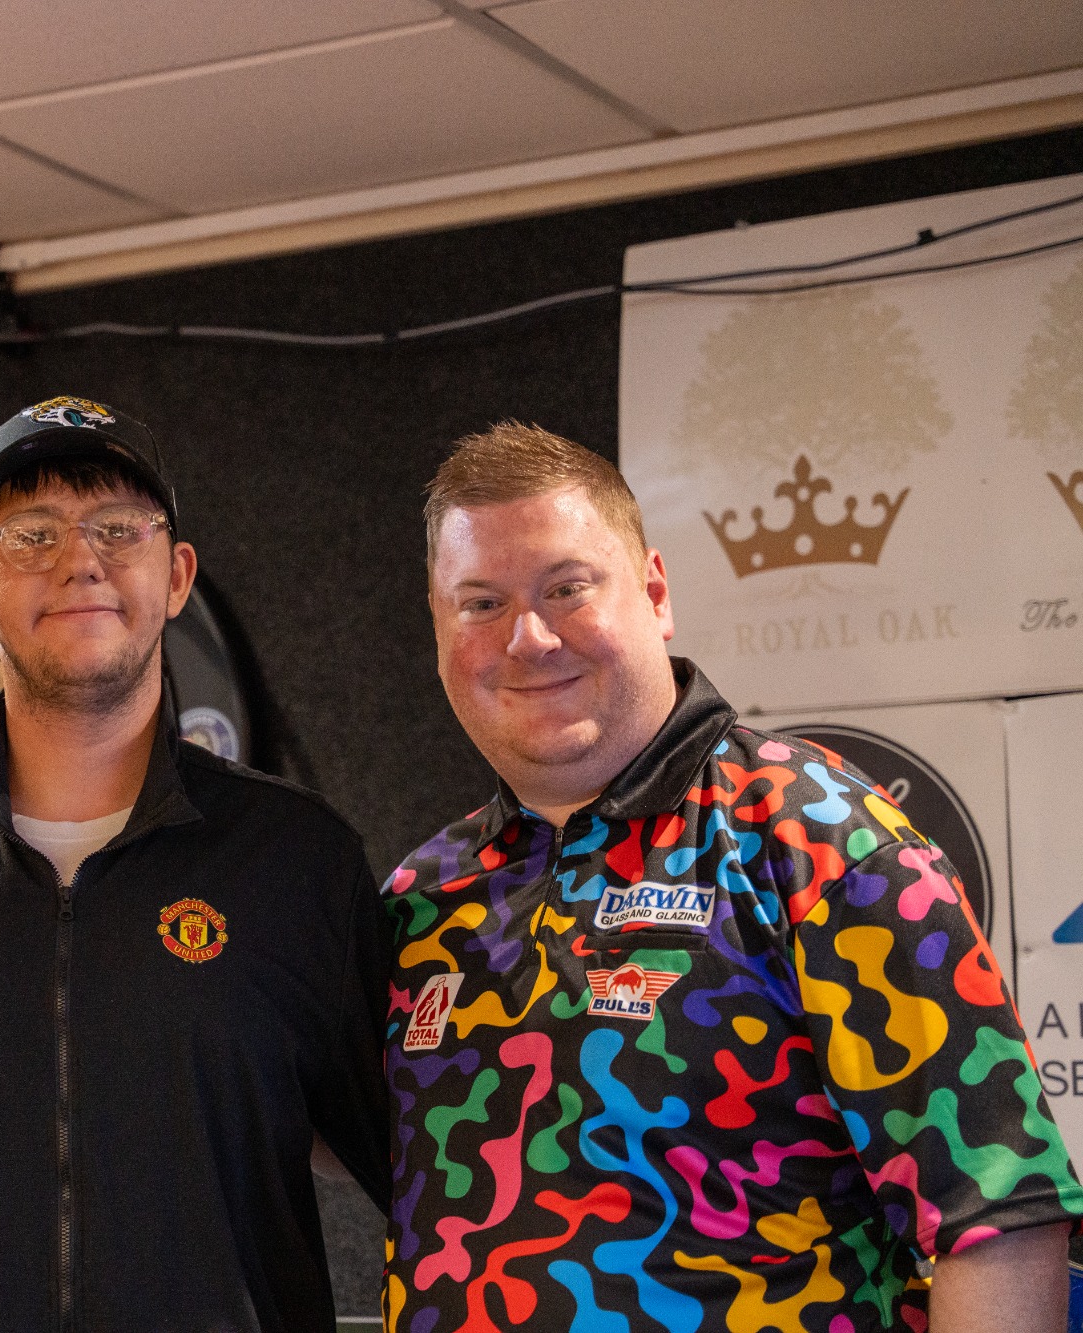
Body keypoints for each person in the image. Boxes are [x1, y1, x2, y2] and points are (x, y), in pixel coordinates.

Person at [383, 421, 1083, 1332]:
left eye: (567, 588)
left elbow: (998, 1215)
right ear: (438, 627)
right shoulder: (420, 898)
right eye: (480, 603)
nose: (530, 637)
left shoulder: (813, 835)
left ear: (655, 592)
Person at [0, 396, 391, 1333]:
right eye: (32, 533)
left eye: (120, 528)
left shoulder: (299, 861)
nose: (80, 559)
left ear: (177, 575)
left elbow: (442, 1186)